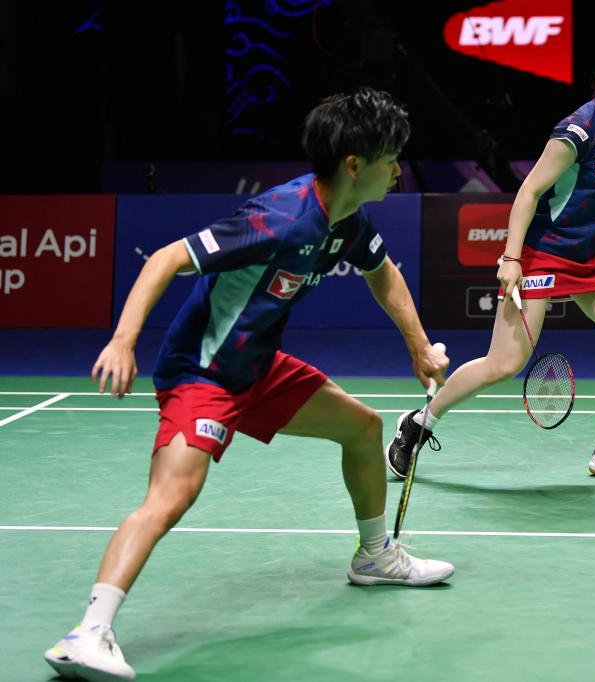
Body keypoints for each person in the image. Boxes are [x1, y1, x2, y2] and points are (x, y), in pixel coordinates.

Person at [44, 88, 454, 682]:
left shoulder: (348, 219)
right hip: (204, 373)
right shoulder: (279, 217)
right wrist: (123, 340)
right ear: (354, 165)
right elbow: (164, 259)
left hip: (258, 367)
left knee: (363, 429)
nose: (398, 171)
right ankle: (88, 633)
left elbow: (383, 273)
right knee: (172, 496)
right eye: (391, 159)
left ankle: (374, 557)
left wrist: (417, 345)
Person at [387, 34, 595, 481]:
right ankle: (418, 425)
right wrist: (511, 258)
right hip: (544, 253)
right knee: (504, 364)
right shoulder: (579, 131)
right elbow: (529, 191)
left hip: (594, 256)